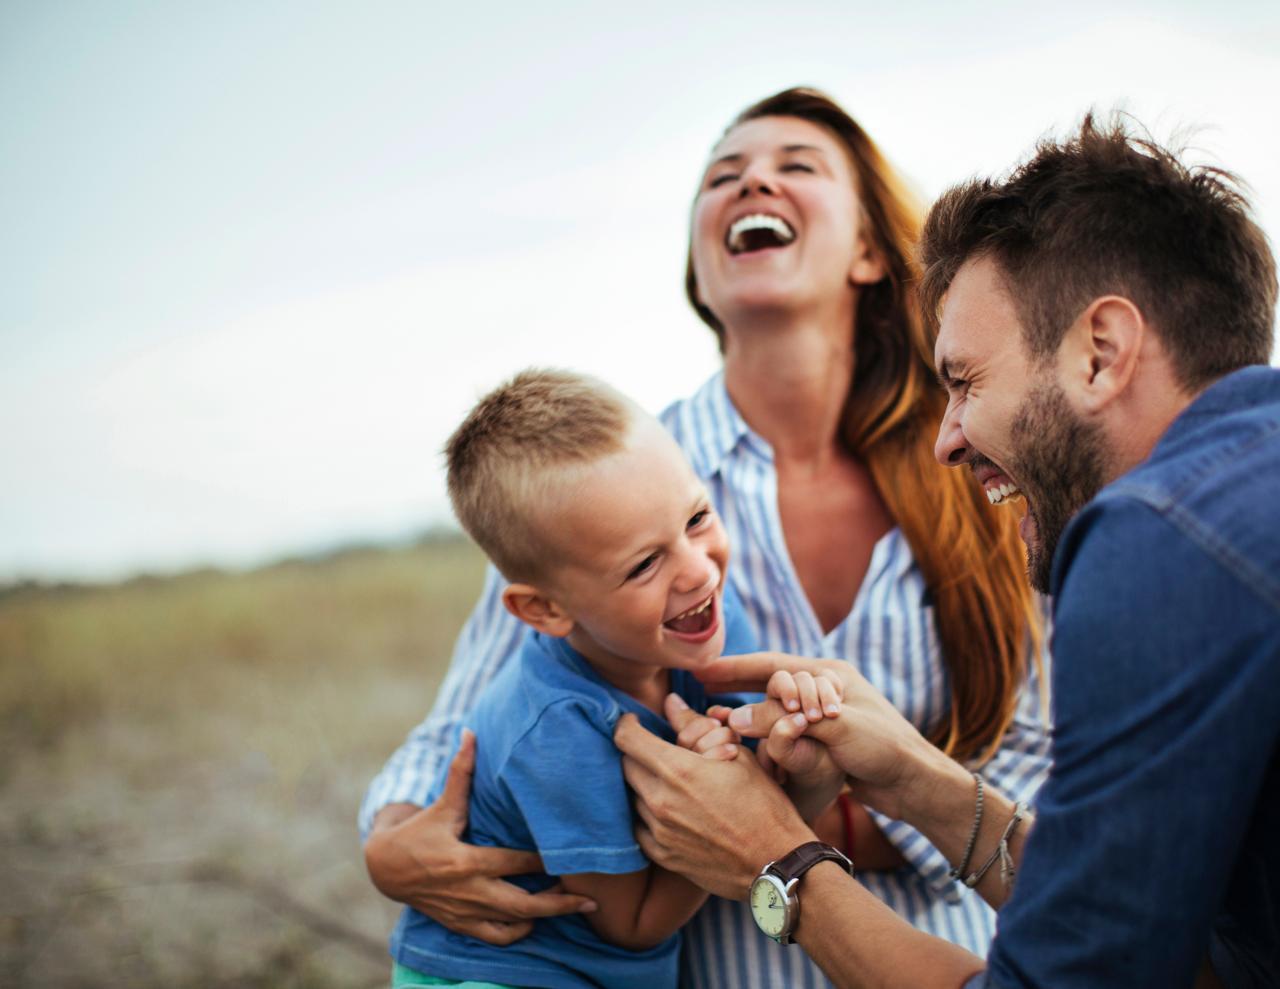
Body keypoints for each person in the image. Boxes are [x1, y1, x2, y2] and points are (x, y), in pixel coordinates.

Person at [361, 88, 1052, 988]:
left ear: (872, 250)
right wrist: (391, 839)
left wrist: (782, 816)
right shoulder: (602, 485)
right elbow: (469, 718)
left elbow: (1044, 759)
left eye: (795, 166)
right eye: (721, 175)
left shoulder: (978, 462)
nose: (752, 179)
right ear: (701, 265)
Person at [614, 113, 1280, 988]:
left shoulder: (1152, 540)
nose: (948, 438)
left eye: (965, 381)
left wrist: (776, 857)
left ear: (1101, 353)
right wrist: (918, 779)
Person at [389, 367, 798, 988]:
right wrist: (727, 805)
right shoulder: (556, 725)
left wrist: (798, 713)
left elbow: (765, 742)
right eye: (643, 565)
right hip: (498, 971)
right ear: (545, 611)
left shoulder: (707, 610)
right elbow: (631, 924)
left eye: (696, 519)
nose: (697, 571)